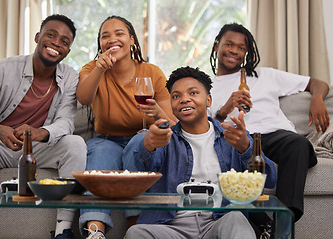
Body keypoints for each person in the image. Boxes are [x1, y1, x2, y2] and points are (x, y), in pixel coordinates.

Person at [124, 66, 277, 239]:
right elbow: (139, 172)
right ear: (171, 105)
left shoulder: (233, 135)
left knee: (236, 218)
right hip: (172, 227)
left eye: (193, 93)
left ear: (209, 100)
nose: (184, 99)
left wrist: (246, 148)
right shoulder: (166, 138)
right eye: (176, 96)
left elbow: (270, 180)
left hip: (217, 222)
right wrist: (148, 144)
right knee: (136, 233)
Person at [208, 23, 330, 237]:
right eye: (229, 44)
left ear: (246, 52)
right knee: (225, 162)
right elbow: (206, 129)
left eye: (241, 48)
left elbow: (316, 83)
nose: (235, 51)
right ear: (217, 46)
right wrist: (226, 108)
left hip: (276, 136)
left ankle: (282, 227)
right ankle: (264, 225)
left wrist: (317, 98)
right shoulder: (206, 85)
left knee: (299, 144)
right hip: (237, 139)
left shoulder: (264, 75)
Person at [0, 14, 87, 239]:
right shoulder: (3, 69)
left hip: (37, 150)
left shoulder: (70, 78)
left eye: (65, 41)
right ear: (38, 37)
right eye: (51, 35)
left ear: (68, 51)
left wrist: (42, 132)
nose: (56, 43)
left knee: (75, 143)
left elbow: (65, 122)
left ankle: (63, 230)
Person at [76, 16, 176, 239]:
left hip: (142, 138)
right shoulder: (92, 68)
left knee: (138, 144)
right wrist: (100, 70)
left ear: (132, 40)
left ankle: (136, 229)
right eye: (105, 35)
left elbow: (171, 122)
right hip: (107, 139)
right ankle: (95, 232)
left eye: (119, 34)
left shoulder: (152, 72)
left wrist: (156, 113)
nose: (112, 39)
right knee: (99, 152)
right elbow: (83, 98)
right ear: (100, 44)